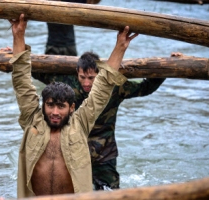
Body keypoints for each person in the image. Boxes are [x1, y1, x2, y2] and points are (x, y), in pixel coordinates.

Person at [8, 13, 137, 198]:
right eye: (50, 105)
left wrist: (120, 47)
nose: (54, 112)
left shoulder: (80, 124)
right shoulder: (33, 121)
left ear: (72, 108)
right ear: (43, 106)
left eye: (61, 107)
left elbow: (103, 87)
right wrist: (18, 35)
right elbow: (21, 79)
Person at [32, 53, 166, 190]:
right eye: (82, 77)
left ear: (100, 74)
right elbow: (35, 70)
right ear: (77, 72)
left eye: (91, 78)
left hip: (104, 152)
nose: (86, 83)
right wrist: (17, 51)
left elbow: (146, 87)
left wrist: (167, 66)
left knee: (111, 193)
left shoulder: (114, 87)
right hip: (73, 150)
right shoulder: (66, 84)